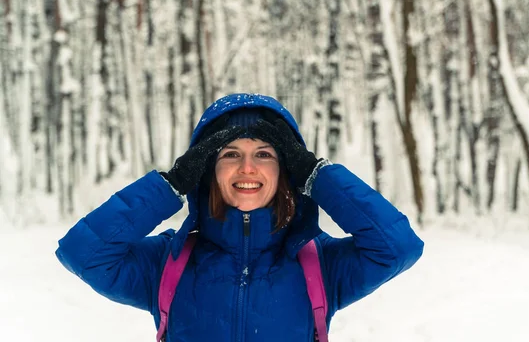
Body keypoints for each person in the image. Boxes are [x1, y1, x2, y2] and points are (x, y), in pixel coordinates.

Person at [56, 93, 424, 342]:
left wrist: (318, 175)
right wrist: (171, 185)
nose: (247, 167)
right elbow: (83, 253)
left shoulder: (320, 264)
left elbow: (398, 248)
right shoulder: (168, 262)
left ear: (286, 172)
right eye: (229, 154)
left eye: (265, 155)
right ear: (206, 171)